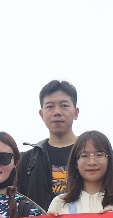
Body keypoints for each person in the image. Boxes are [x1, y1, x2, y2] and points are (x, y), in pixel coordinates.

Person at [17, 80, 80, 210]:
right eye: (50, 107)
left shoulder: (92, 154)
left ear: (76, 112)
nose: (57, 112)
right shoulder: (28, 161)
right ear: (41, 114)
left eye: (64, 105)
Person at [46, 131, 113, 214]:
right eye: (84, 156)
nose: (92, 162)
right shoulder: (60, 204)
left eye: (99, 155)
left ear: (109, 160)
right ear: (76, 162)